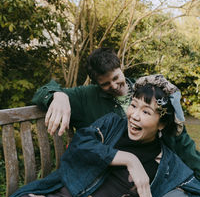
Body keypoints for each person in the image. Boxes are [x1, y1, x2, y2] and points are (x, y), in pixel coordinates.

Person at [1, 77, 200, 197]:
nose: (134, 116)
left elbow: (190, 186)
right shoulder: (112, 125)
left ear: (162, 124)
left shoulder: (165, 164)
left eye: (146, 112)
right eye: (133, 105)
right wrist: (130, 160)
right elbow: (80, 145)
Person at [32, 48, 200, 182]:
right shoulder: (87, 96)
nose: (114, 86)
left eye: (116, 77)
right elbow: (42, 92)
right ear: (96, 83)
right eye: (105, 84)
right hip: (109, 174)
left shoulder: (144, 90)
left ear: (121, 68)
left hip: (150, 170)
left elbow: (180, 139)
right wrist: (58, 95)